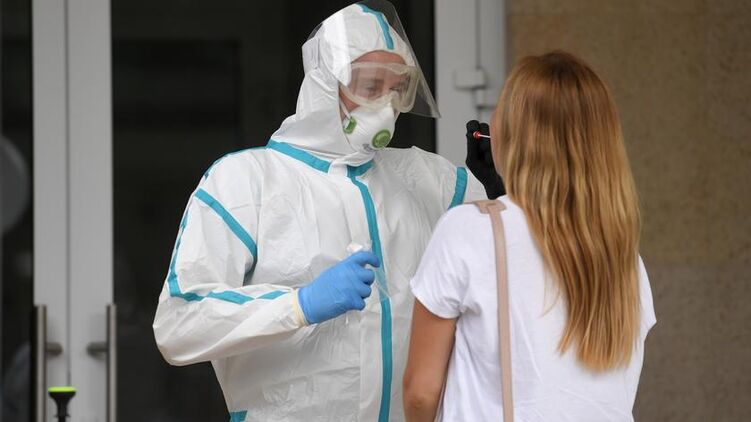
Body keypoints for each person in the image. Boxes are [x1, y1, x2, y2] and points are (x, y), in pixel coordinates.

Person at [152, 1, 500, 421]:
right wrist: (298, 305)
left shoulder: (427, 180)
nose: (386, 105)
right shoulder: (245, 183)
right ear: (324, 83)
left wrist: (504, 191)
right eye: (370, 86)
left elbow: (516, 264)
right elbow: (179, 325)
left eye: (397, 89)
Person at [403, 51, 657, 421]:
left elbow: (420, 394)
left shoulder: (466, 232)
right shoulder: (624, 257)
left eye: (502, 107)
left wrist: (498, 206)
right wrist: (502, 196)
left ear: (515, 133)